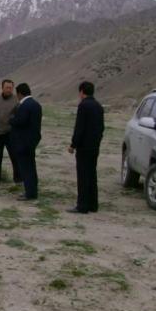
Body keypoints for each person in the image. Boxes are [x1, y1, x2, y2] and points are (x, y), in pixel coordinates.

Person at [67, 81, 105, 214]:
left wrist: (73, 144)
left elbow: (80, 128)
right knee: (92, 175)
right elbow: (101, 128)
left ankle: (82, 205)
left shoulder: (83, 106)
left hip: (84, 147)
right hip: (94, 146)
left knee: (83, 176)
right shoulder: (98, 106)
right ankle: (93, 204)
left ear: (82, 91)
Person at [9, 83, 42, 201]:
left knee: (26, 168)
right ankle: (32, 191)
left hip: (23, 142)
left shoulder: (24, 106)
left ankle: (29, 193)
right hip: (32, 141)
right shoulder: (36, 105)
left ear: (19, 93)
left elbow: (20, 121)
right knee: (31, 167)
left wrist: (11, 120)